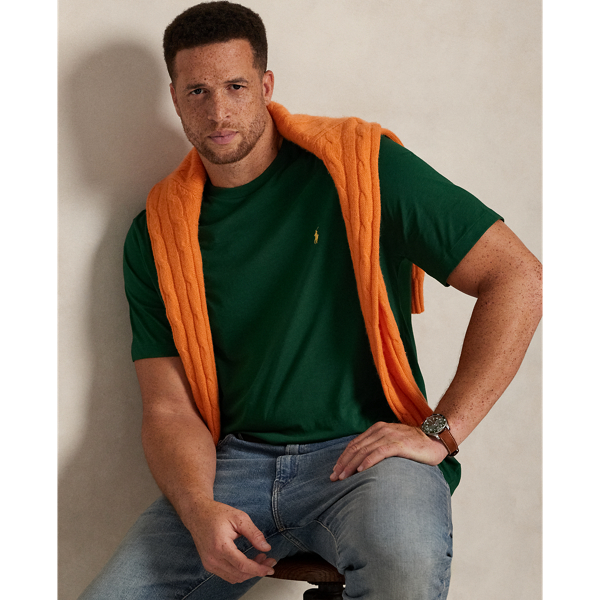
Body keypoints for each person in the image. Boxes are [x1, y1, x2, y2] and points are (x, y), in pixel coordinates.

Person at [79, 2, 542, 599]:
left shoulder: (363, 167)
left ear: (266, 86)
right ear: (174, 98)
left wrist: (439, 430)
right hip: (234, 467)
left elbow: (516, 275)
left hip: (367, 458)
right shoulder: (157, 233)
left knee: (405, 569)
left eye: (236, 86)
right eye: (197, 91)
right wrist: (197, 507)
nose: (218, 111)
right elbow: (168, 410)